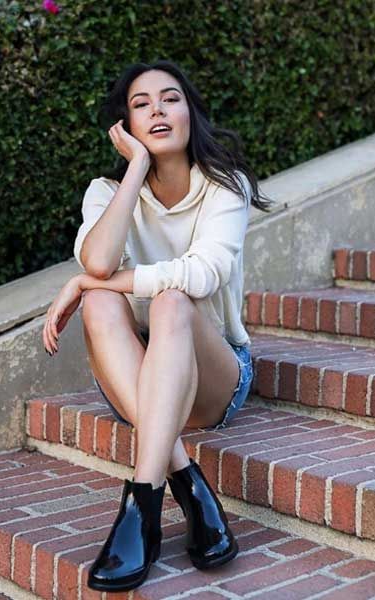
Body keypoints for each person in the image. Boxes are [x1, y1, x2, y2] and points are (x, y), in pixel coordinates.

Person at [42, 59, 274, 593]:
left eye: (170, 98)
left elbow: (203, 273)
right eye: (141, 104)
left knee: (171, 301)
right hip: (139, 375)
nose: (158, 111)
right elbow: (99, 262)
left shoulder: (225, 185)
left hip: (214, 375)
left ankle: (141, 503)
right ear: (125, 126)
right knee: (101, 303)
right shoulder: (106, 191)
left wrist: (85, 282)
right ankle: (186, 485)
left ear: (190, 111)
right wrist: (137, 169)